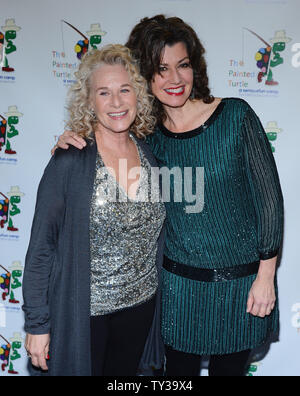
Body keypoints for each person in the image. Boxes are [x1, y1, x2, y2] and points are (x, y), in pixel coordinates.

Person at [53, 15, 284, 377]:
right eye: (161, 69)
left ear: (196, 67)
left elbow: (270, 203)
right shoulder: (146, 138)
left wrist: (266, 276)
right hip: (177, 293)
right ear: (143, 76)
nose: (175, 79)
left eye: (183, 65)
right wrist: (71, 141)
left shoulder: (236, 117)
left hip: (241, 290)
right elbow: (104, 142)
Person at [23, 44, 166, 376]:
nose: (116, 102)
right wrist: (37, 323)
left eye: (124, 90)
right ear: (89, 102)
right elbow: (41, 248)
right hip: (84, 317)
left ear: (138, 96)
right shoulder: (70, 160)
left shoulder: (150, 155)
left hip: (141, 311)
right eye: (104, 92)